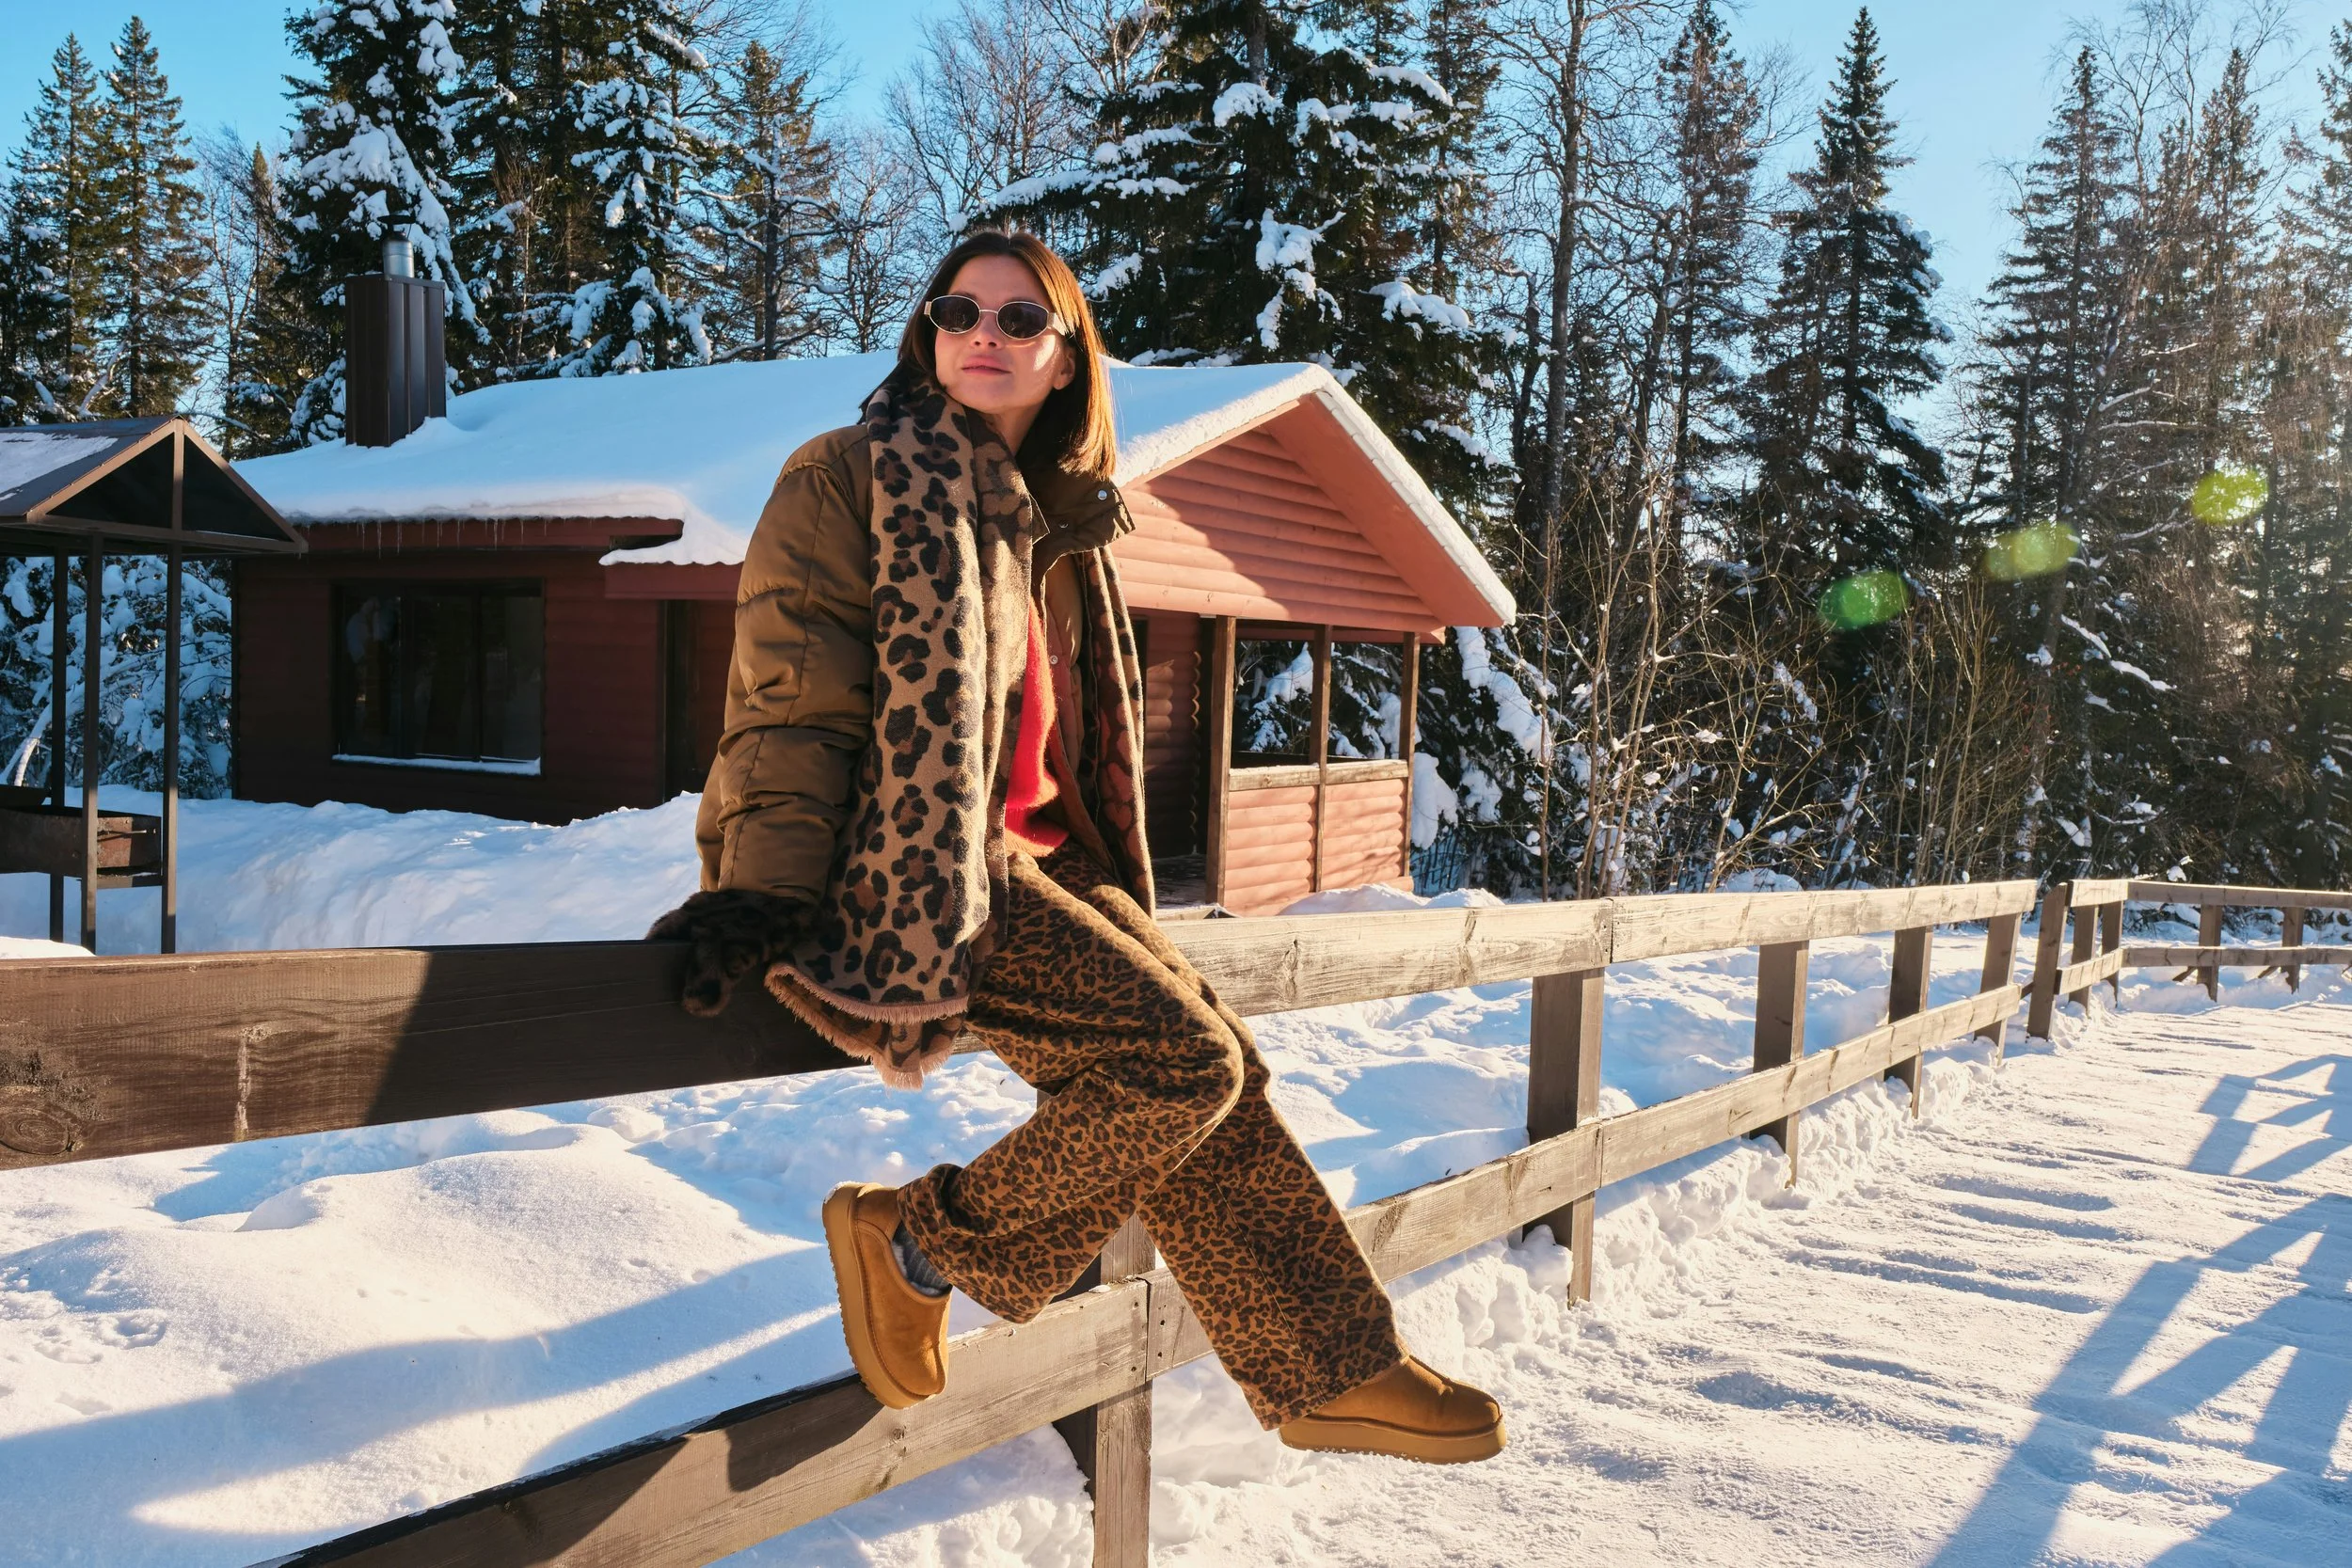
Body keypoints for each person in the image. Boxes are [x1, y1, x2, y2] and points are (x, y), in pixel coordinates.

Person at [648, 229, 1503, 1463]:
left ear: (1065, 360)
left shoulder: (1064, 525)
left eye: (1017, 319)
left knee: (1216, 1078)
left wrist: (1126, 914)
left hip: (1050, 875)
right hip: (914, 871)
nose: (982, 336)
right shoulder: (844, 479)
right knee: (1184, 1065)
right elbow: (796, 702)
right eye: (958, 312)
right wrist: (762, 891)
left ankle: (1332, 1367)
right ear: (926, 337)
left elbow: (1083, 758)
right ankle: (914, 1242)